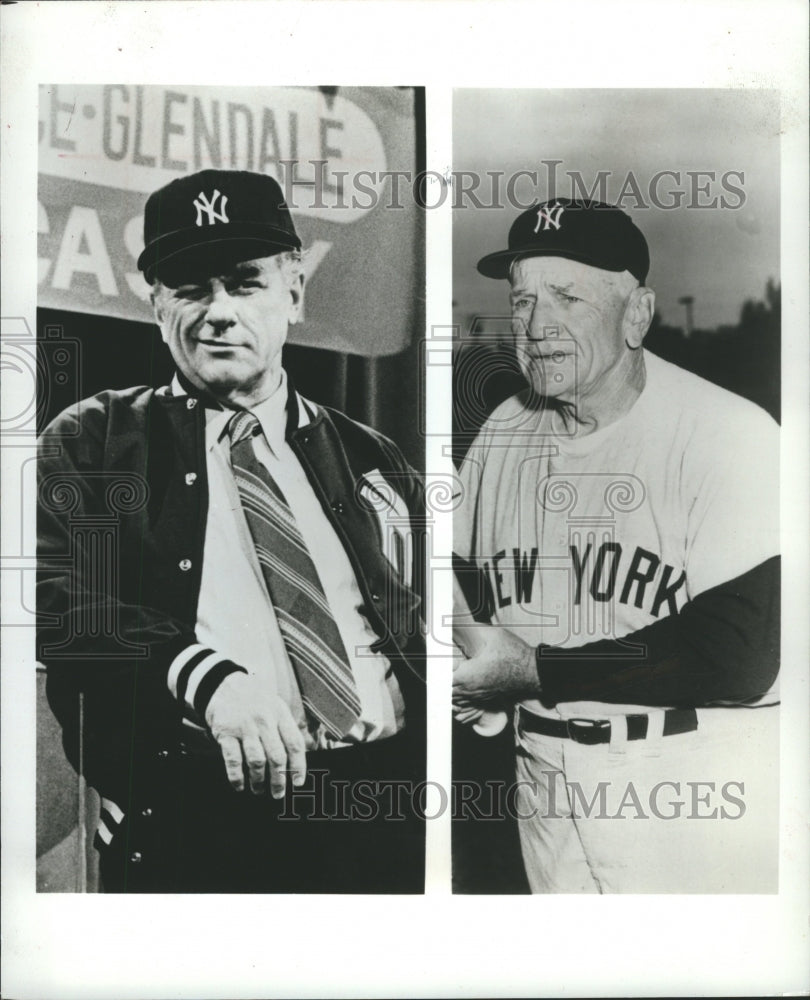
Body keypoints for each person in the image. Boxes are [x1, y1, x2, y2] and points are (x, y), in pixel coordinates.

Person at [37, 168, 425, 894]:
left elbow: (424, 615)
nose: (218, 312)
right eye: (189, 287)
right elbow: (57, 599)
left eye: (244, 283)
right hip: (202, 819)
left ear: (294, 293)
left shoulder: (370, 453)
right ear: (156, 305)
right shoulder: (95, 438)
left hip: (382, 813)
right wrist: (204, 677)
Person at [452, 197, 780, 893]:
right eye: (522, 301)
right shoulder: (505, 430)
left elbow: (738, 654)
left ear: (637, 314)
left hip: (690, 783)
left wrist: (533, 672)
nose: (536, 327)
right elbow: (464, 583)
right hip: (541, 779)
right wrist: (467, 663)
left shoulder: (729, 432)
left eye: (566, 297)